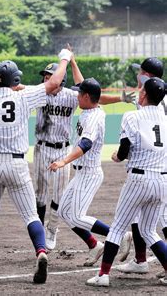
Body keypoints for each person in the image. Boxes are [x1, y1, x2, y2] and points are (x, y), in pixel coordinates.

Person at [0, 48, 72, 284]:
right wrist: (64, 58)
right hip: (16, 164)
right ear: (16, 80)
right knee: (31, 215)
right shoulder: (23, 97)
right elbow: (53, 83)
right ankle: (41, 252)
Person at [86, 77, 167, 287]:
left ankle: (103, 275)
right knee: (149, 231)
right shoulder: (165, 118)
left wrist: (117, 156)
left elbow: (123, 151)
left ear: (144, 95)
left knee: (118, 228)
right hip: (162, 180)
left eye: (141, 90)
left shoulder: (132, 116)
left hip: (139, 179)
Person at [48, 78, 131, 267]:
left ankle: (119, 235)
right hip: (81, 173)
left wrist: (63, 161)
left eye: (79, 93)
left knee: (77, 216)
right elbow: (95, 94)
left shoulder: (93, 117)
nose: (76, 96)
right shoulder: (92, 107)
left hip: (89, 173)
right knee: (63, 211)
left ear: (87, 96)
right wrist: (74, 62)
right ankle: (94, 246)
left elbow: (86, 144)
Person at [116, 58, 167, 278]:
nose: (139, 75)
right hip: (158, 163)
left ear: (148, 76)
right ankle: (140, 260)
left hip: (155, 164)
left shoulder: (147, 99)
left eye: (142, 72)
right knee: (143, 216)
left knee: (161, 219)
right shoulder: (158, 94)